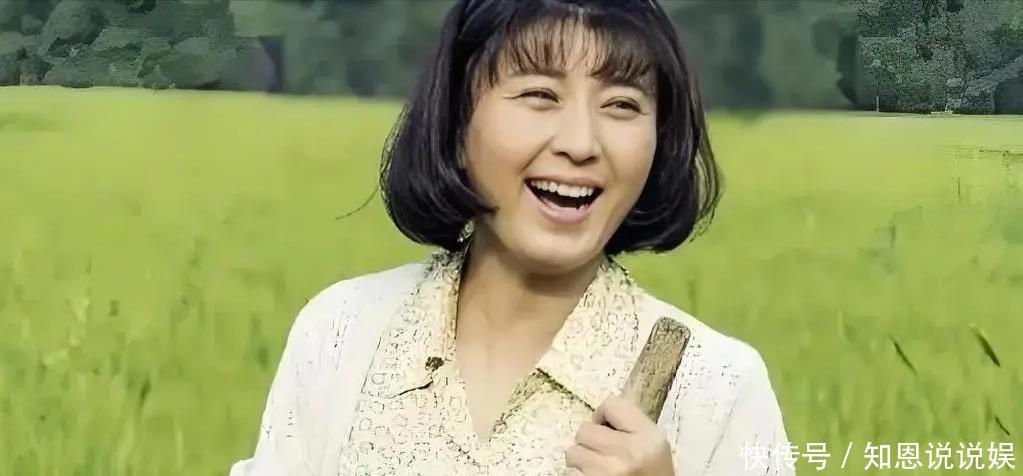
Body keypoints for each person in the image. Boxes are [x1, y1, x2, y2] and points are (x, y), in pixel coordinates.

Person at [230, 0, 791, 475]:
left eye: (622, 104)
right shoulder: (343, 334)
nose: (580, 143)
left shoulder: (718, 388)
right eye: (539, 95)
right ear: (457, 122)